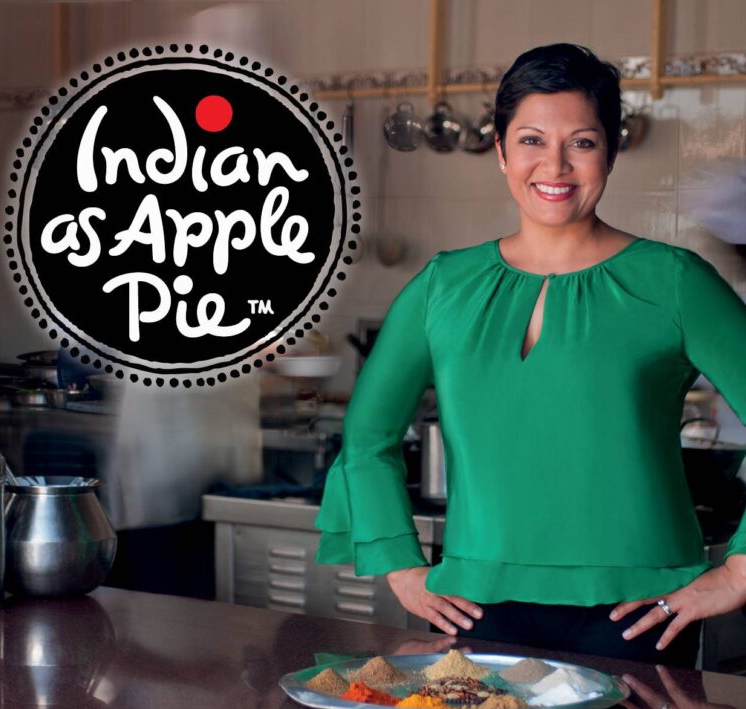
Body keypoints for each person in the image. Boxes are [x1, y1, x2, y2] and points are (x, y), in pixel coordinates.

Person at [314, 43, 746, 667]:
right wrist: (400, 565)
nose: (556, 165)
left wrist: (737, 572)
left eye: (583, 142)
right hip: (475, 609)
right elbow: (366, 437)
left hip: (640, 615)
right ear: (501, 151)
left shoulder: (674, 281)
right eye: (532, 140)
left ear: (611, 153)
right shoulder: (443, 286)